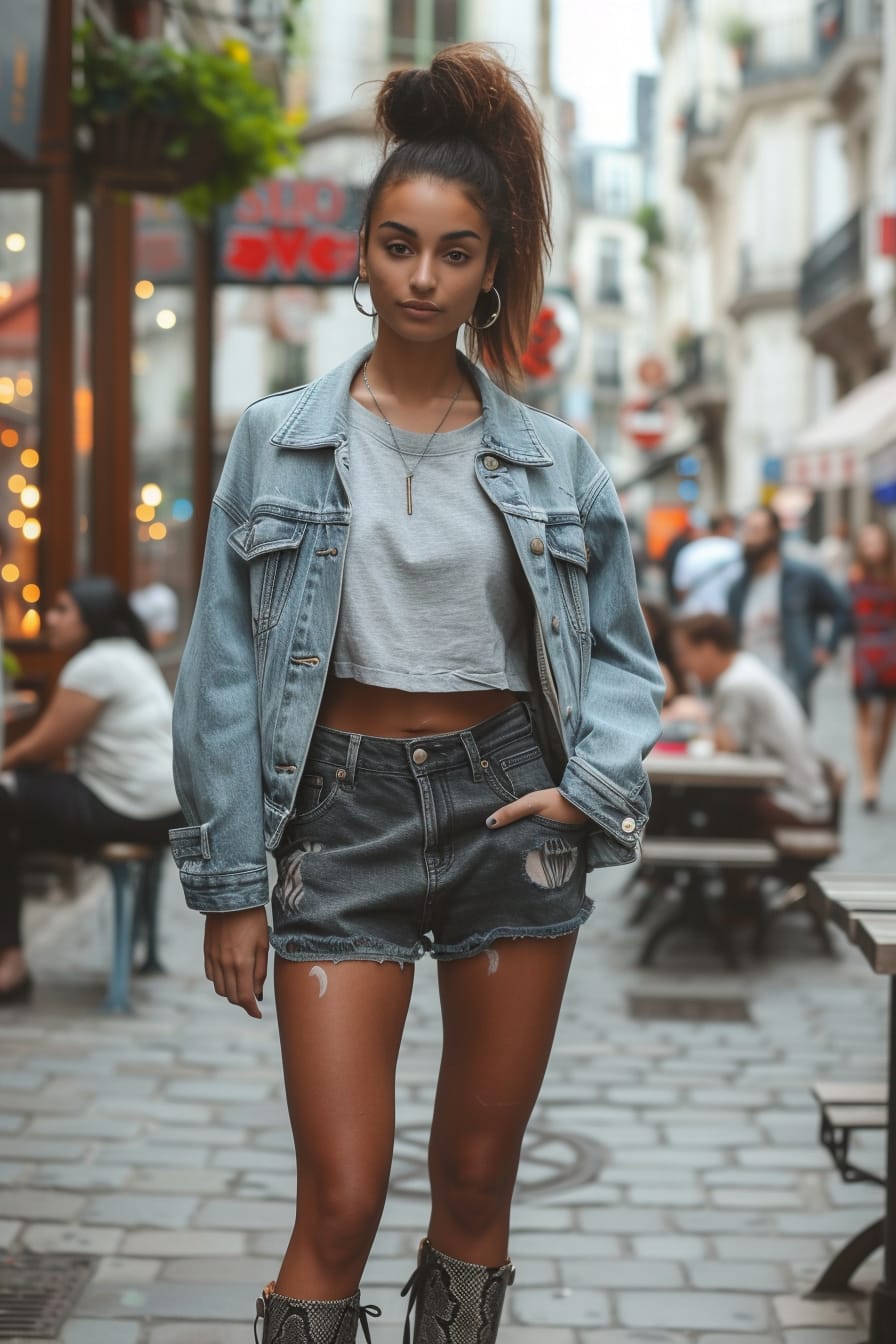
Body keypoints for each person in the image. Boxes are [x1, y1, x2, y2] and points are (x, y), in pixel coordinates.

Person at [170, 44, 664, 1344]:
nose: (425, 277)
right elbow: (222, 665)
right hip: (340, 819)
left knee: (477, 1181)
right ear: (364, 253)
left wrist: (589, 790)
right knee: (338, 1195)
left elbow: (622, 653)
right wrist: (231, 887)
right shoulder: (276, 440)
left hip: (512, 816)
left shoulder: (554, 460)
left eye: (454, 253)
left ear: (491, 267)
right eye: (400, 245)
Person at [0, 578, 183, 1004]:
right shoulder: (129, 656)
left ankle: (9, 963)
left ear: (91, 620)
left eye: (63, 609)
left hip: (127, 807)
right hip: (161, 808)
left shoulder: (96, 665)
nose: (52, 617)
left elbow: (42, 745)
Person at [672, 613, 831, 829]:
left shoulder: (736, 684)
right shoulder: (744, 666)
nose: (682, 664)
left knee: (689, 805)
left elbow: (727, 744)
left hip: (793, 800)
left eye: (684, 653)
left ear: (708, 648)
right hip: (802, 791)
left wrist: (690, 722)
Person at [727, 505, 852, 715]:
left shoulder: (802, 576)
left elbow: (842, 609)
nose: (749, 538)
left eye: (756, 530)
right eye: (745, 530)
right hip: (748, 680)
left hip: (790, 680)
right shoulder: (738, 587)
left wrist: (826, 650)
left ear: (773, 534)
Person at [848, 521, 896, 811]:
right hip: (865, 652)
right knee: (864, 718)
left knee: (887, 719)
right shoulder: (854, 577)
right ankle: (869, 780)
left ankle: (874, 774)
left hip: (891, 653)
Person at [672, 511, 741, 615]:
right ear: (726, 526)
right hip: (725, 616)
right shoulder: (736, 550)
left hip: (694, 615)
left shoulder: (689, 551)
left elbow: (680, 590)